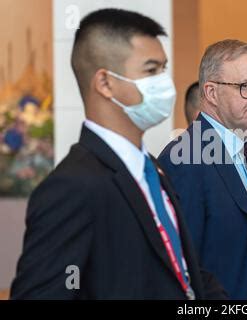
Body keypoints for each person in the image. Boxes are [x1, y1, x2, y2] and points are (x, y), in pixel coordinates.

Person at [10, 8, 226, 300]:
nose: (165, 82)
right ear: (105, 83)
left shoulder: (151, 170)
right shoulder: (73, 186)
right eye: (151, 71)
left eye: (163, 69)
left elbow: (182, 270)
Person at [158, 39, 247, 300]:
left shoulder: (241, 149)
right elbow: (183, 267)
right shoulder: (186, 158)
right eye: (246, 87)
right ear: (211, 93)